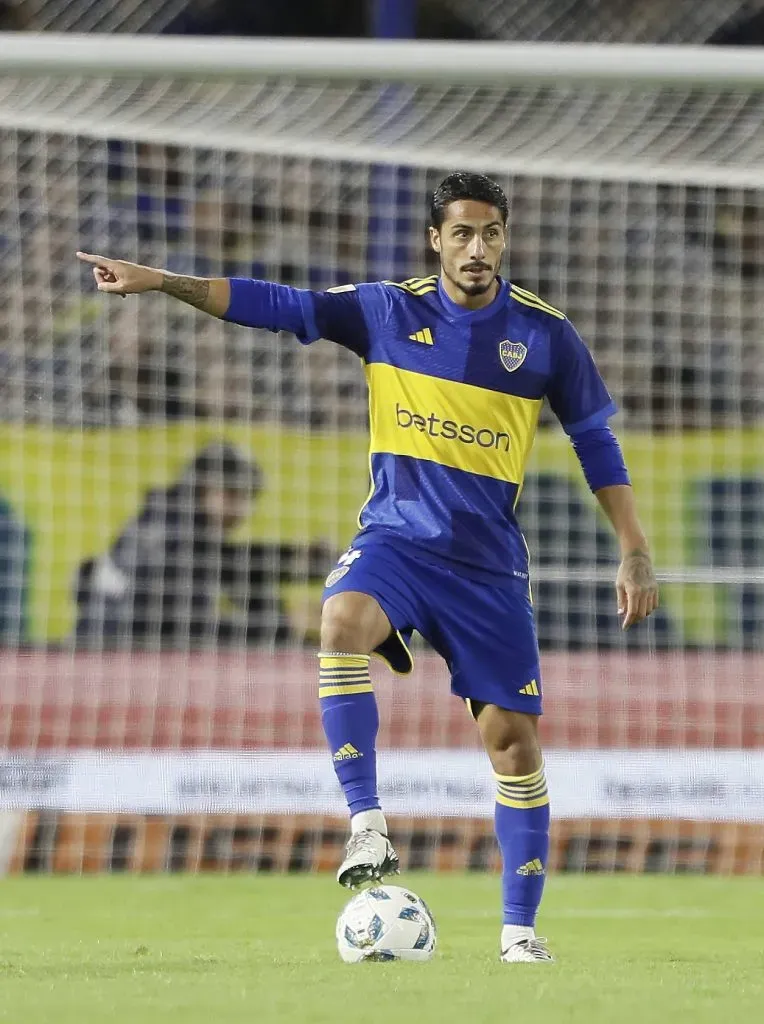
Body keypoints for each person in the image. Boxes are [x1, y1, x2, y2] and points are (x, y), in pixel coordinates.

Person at [76, 171, 659, 963]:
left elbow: (597, 442)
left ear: (506, 238)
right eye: (461, 233)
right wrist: (162, 283)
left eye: (490, 233)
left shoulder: (544, 336)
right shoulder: (389, 310)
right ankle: (368, 823)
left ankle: (520, 934)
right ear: (435, 239)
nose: (476, 248)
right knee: (341, 618)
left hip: (487, 568)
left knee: (513, 746)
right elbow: (281, 306)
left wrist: (633, 549)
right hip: (398, 540)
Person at [74, 441, 328, 649]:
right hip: (121, 664)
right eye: (232, 494)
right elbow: (194, 630)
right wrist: (285, 626)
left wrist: (298, 560)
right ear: (204, 489)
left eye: (246, 497)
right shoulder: (173, 537)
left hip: (103, 655)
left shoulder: (166, 521)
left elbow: (231, 563)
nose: (241, 509)